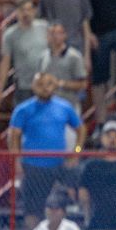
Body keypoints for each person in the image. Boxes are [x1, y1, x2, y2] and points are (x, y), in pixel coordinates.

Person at [8, 72, 86, 230]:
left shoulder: (64, 107)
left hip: (58, 165)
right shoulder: (23, 110)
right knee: (32, 208)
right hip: (33, 166)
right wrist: (16, 161)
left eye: (49, 83)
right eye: (40, 84)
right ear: (33, 86)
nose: (45, 88)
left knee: (64, 199)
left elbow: (81, 130)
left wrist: (76, 152)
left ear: (55, 85)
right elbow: (13, 136)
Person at [39, 23, 88, 154]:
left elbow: (83, 84)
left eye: (58, 33)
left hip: (69, 106)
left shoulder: (74, 56)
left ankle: (76, 156)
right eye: (51, 34)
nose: (54, 37)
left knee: (72, 143)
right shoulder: (43, 56)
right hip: (47, 108)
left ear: (64, 35)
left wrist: (59, 83)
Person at [0, 0, 49, 106]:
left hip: (45, 85)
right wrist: (0, 91)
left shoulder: (45, 27)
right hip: (24, 86)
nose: (26, 13)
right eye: (22, 10)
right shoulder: (10, 35)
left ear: (34, 11)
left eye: (29, 9)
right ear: (16, 12)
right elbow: (5, 63)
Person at [38, 0, 93, 68]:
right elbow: (43, 24)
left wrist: (87, 56)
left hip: (76, 47)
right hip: (53, 49)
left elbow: (86, 28)